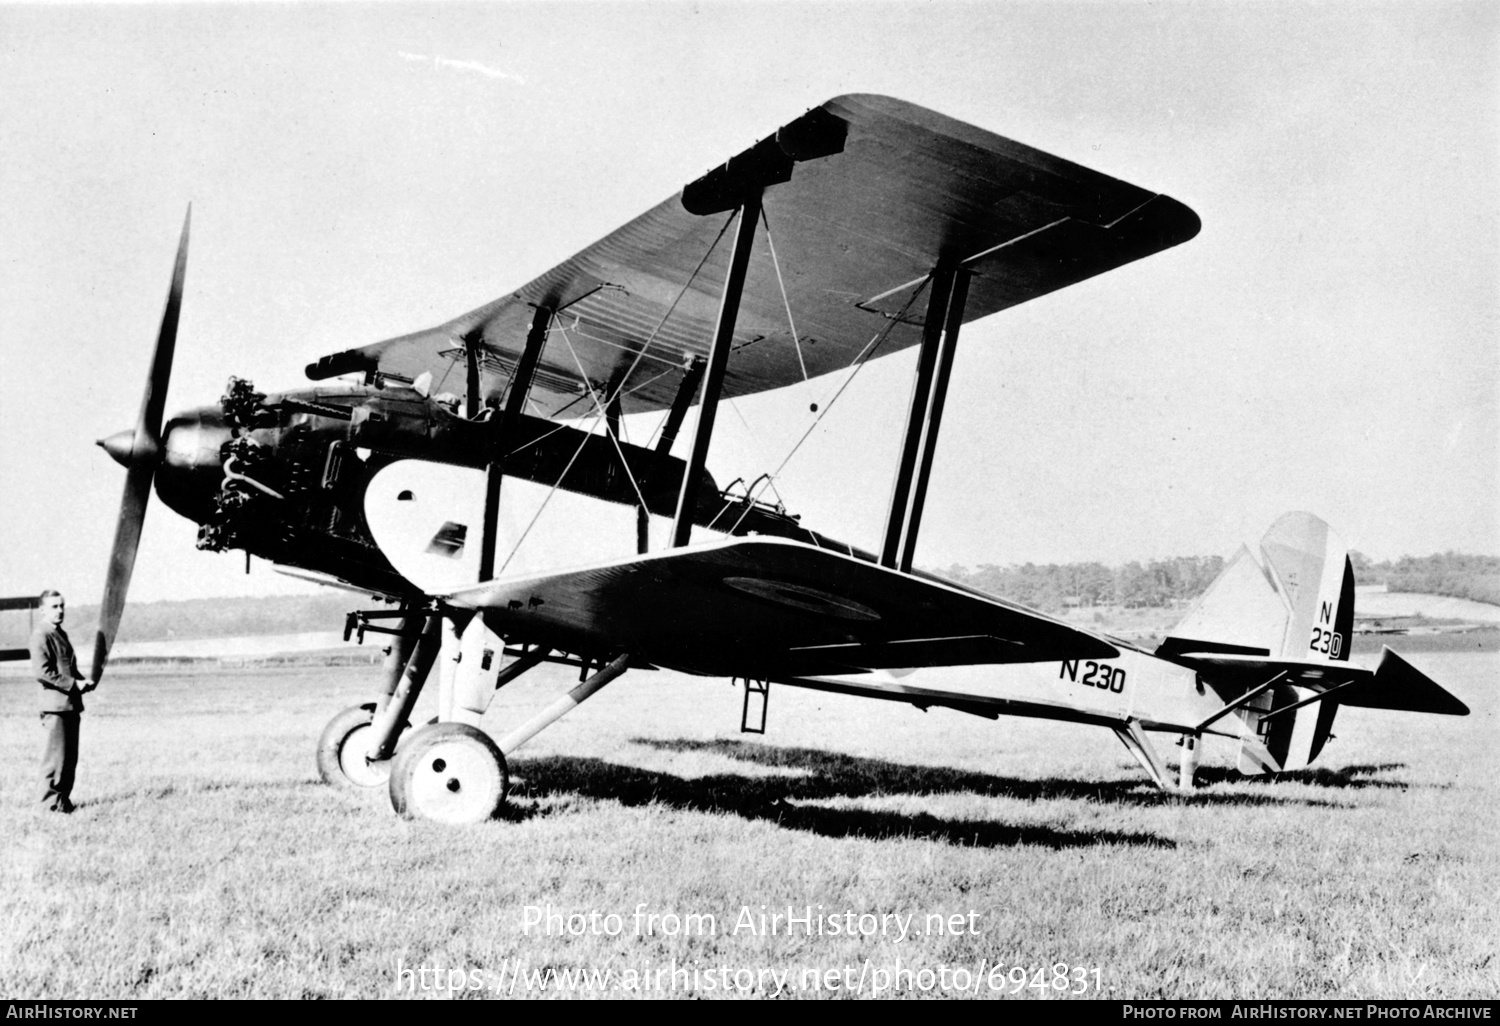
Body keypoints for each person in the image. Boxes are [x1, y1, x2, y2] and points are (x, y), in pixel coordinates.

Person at [30, 590, 94, 813]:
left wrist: (82, 681)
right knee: (55, 759)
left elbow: (68, 669)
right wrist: (74, 684)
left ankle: (62, 802)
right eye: (54, 606)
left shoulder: (60, 634)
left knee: (68, 759)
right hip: (55, 707)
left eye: (62, 606)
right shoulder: (42, 634)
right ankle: (48, 805)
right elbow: (43, 672)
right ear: (42, 610)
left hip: (69, 705)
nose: (60, 610)